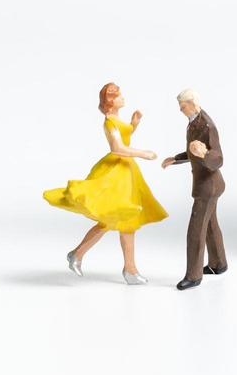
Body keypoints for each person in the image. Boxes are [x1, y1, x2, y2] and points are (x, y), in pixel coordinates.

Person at [44, 82, 167, 284]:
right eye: (119, 96)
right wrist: (142, 153)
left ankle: (122, 267)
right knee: (118, 218)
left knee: (125, 220)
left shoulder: (117, 120)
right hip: (117, 172)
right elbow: (117, 148)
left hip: (128, 172)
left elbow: (124, 137)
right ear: (111, 101)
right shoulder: (109, 122)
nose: (123, 98)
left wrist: (134, 124)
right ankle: (117, 266)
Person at [162, 88, 226, 291]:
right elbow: (192, 150)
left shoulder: (207, 125)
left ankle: (194, 275)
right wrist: (177, 159)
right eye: (180, 107)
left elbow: (218, 158)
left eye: (183, 106)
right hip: (206, 184)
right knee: (210, 226)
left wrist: (205, 152)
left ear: (193, 103)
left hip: (208, 185)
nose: (181, 109)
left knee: (195, 231)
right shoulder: (193, 122)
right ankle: (218, 264)